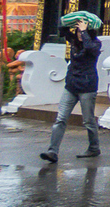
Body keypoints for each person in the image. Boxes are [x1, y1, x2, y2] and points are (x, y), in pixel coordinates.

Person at [40, 16, 102, 163]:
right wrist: (72, 20)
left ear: (89, 33)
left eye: (82, 33)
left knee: (88, 121)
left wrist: (84, 31)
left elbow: (89, 47)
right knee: (60, 119)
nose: (79, 35)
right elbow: (62, 29)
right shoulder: (74, 41)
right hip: (71, 86)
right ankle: (52, 151)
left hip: (87, 87)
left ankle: (94, 148)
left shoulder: (95, 44)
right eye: (78, 32)